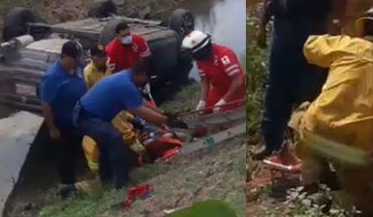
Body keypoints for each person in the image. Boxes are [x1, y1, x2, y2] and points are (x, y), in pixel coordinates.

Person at [287, 7, 373, 216]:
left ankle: (311, 181)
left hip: (315, 132)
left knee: (302, 114)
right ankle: (350, 196)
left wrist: (333, 34)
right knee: (369, 199)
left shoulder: (346, 44)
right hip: (352, 149)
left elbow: (310, 46)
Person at [253, 0, 349, 160]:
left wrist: (336, 21)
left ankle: (308, 145)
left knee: (311, 85)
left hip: (313, 27)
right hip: (284, 26)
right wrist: (263, 24)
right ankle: (271, 141)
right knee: (277, 84)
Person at [74, 57, 171, 189]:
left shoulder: (126, 78)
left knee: (106, 145)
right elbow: (140, 111)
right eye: (146, 78)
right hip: (85, 116)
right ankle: (122, 183)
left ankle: (106, 180)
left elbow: (140, 101)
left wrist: (162, 113)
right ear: (142, 74)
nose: (146, 82)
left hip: (92, 115)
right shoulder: (125, 84)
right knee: (114, 139)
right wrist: (165, 120)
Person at [40, 40, 87, 197]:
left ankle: (79, 181)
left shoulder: (77, 69)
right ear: (66, 57)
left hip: (77, 120)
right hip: (62, 125)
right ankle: (67, 190)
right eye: (75, 58)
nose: (78, 61)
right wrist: (52, 129)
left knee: (77, 152)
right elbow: (46, 105)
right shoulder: (52, 77)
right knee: (64, 159)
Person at [182, 30, 245, 113]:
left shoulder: (224, 55)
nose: (193, 58)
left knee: (225, 114)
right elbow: (204, 80)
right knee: (204, 112)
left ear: (201, 51)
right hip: (218, 89)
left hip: (236, 90)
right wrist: (202, 101)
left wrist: (224, 100)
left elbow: (238, 80)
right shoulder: (200, 60)